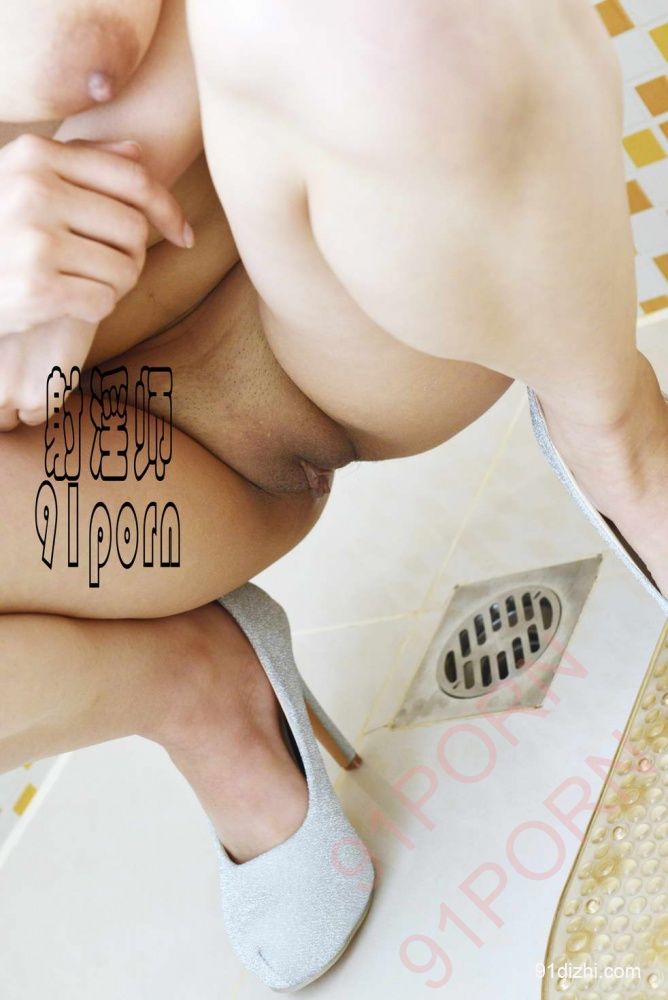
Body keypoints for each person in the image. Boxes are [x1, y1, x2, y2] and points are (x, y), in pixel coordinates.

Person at [0, 0, 665, 988]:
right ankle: (191, 686)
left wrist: (108, 184)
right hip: (102, 493)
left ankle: (619, 439)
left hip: (321, 259)